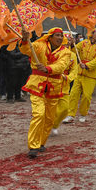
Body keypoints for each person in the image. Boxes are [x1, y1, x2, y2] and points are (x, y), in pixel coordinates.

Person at [19, 28, 71, 158]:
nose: (60, 38)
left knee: (49, 118)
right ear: (50, 36)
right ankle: (33, 146)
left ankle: (41, 142)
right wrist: (25, 39)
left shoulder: (66, 52)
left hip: (54, 87)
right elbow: (26, 50)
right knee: (39, 114)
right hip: (37, 84)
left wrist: (48, 68)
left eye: (61, 35)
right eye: (57, 35)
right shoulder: (39, 45)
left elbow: (61, 66)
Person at [66, 28, 96, 123]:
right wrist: (71, 44)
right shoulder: (84, 43)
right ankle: (70, 114)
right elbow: (74, 51)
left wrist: (87, 65)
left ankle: (83, 114)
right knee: (74, 94)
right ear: (93, 33)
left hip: (91, 74)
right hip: (79, 73)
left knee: (86, 96)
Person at [52, 33, 79, 135]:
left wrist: (68, 78)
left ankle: (54, 124)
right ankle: (48, 125)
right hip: (53, 84)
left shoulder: (73, 55)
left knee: (64, 109)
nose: (67, 43)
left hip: (65, 85)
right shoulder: (54, 52)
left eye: (69, 41)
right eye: (65, 41)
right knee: (51, 108)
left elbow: (74, 71)